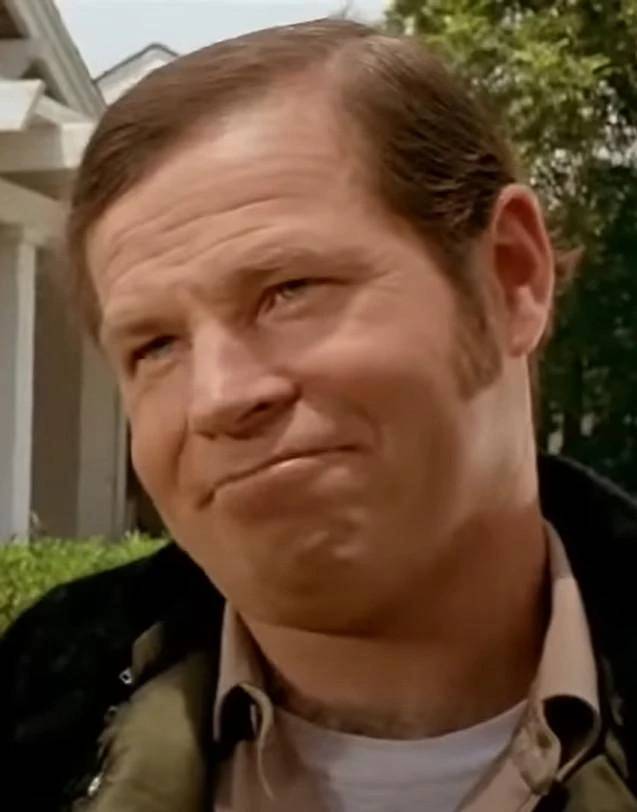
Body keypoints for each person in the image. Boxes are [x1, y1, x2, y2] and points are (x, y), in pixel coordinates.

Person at [2, 17, 637, 812]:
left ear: (509, 279)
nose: (219, 396)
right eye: (156, 346)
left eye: (289, 292)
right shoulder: (29, 725)